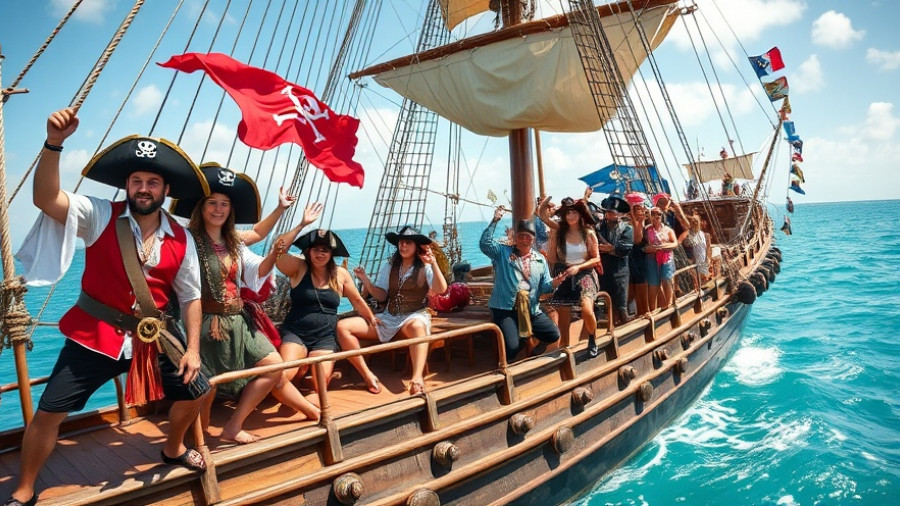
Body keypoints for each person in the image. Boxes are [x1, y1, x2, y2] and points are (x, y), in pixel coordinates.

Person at [8, 108, 212, 506]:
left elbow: (190, 297)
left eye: (152, 182)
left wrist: (192, 349)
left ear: (165, 189)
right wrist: (54, 144)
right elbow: (46, 198)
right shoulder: (100, 214)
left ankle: (173, 448)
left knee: (197, 389)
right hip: (94, 336)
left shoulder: (183, 238)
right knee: (48, 413)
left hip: (155, 340)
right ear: (127, 185)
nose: (143, 188)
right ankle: (24, 488)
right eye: (137, 181)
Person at [171, 163, 319, 445]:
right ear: (201, 207)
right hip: (206, 323)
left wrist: (278, 232)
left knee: (273, 366)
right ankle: (197, 440)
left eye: (224, 204)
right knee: (207, 387)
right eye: (212, 203)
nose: (218, 209)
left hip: (239, 320)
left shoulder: (234, 241)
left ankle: (232, 426)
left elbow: (259, 256)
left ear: (231, 210)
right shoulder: (188, 239)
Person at [337, 226, 448, 396]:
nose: (403, 246)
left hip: (413, 315)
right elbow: (381, 296)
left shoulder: (424, 267)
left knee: (417, 326)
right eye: (401, 242)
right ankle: (367, 375)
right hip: (389, 317)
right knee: (343, 327)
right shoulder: (390, 266)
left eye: (408, 242)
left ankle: (417, 378)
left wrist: (433, 264)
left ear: (416, 246)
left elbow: (441, 289)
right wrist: (366, 281)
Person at [274, 225, 378, 391]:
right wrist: (302, 224)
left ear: (331, 253)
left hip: (325, 337)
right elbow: (278, 252)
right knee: (283, 376)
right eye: (316, 249)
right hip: (296, 334)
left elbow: (357, 300)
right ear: (308, 251)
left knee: (320, 385)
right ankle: (300, 376)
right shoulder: (298, 267)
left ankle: (303, 375)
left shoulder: (341, 274)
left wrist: (371, 318)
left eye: (325, 250)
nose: (320, 254)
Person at [481, 208, 564, 361]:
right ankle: (505, 367)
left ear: (533, 238)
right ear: (516, 237)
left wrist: (555, 283)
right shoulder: (502, 252)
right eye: (521, 236)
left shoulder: (540, 259)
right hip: (505, 309)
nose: (525, 239)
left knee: (553, 334)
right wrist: (495, 220)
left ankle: (533, 356)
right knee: (513, 346)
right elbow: (485, 244)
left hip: (530, 309)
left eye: (528, 236)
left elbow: (544, 287)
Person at [539, 196, 601, 353]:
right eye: (567, 213)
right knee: (563, 312)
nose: (570, 216)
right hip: (566, 272)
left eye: (573, 212)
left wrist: (578, 267)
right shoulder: (560, 231)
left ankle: (592, 338)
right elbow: (544, 217)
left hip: (585, 273)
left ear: (580, 215)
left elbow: (596, 258)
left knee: (587, 309)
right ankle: (564, 346)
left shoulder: (588, 233)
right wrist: (544, 204)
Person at [596, 195, 633, 328]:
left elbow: (626, 248)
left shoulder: (627, 228)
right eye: (608, 212)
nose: (610, 215)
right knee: (604, 302)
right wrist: (604, 248)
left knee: (621, 305)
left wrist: (611, 249)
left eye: (613, 212)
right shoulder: (598, 228)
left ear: (619, 214)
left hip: (620, 271)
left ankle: (626, 329)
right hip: (603, 271)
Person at [645, 207, 679, 311]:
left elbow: (675, 243)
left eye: (659, 214)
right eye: (653, 214)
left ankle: (669, 306)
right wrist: (651, 248)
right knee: (653, 284)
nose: (656, 216)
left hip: (666, 259)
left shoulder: (668, 230)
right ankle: (652, 310)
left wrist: (661, 247)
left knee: (667, 280)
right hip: (652, 259)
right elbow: (644, 246)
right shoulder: (647, 230)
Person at [627, 202, 650, 316]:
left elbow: (638, 240)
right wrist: (634, 218)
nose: (640, 211)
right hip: (632, 256)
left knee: (642, 284)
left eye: (641, 209)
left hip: (641, 257)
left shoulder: (645, 224)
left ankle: (646, 311)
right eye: (637, 210)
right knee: (634, 288)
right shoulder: (630, 224)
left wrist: (640, 221)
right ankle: (639, 312)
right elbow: (635, 240)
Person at [679, 215, 713, 284]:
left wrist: (708, 257)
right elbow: (682, 246)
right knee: (696, 276)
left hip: (702, 258)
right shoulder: (687, 234)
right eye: (693, 222)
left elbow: (706, 247)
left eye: (697, 221)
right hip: (692, 259)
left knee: (703, 276)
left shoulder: (702, 234)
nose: (695, 223)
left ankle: (703, 282)